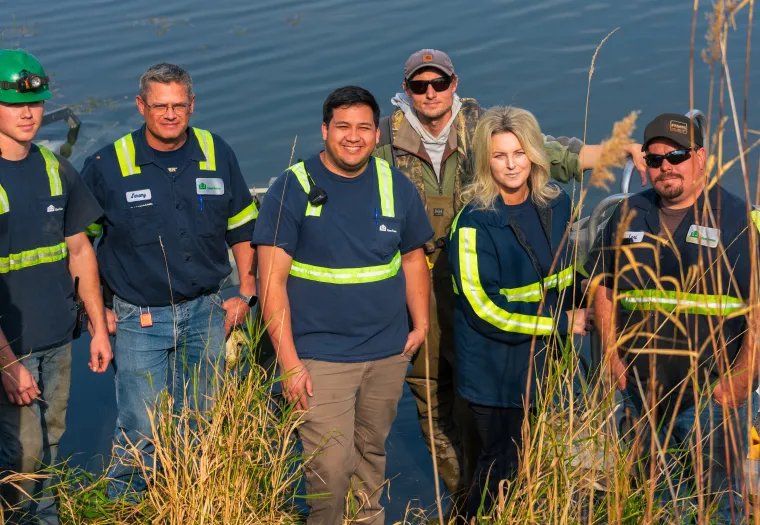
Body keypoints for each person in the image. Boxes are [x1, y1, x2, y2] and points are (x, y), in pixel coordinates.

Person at [373, 48, 646, 504]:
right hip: (416, 279)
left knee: (480, 390)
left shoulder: (483, 128)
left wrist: (625, 151)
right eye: (420, 86)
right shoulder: (384, 138)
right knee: (428, 386)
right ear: (408, 91)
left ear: (453, 83)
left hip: (481, 268)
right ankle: (464, 492)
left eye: (439, 83)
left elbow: (553, 155)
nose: (431, 93)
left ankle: (496, 488)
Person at [254, 86, 433, 525]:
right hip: (320, 359)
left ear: (377, 135)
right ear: (324, 130)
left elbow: (413, 258)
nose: (353, 137)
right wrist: (290, 362)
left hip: (387, 353)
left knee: (369, 459)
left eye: (364, 128)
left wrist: (422, 323)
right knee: (329, 469)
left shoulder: (396, 184)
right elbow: (271, 282)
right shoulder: (292, 188)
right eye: (343, 127)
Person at [80, 63, 258, 500]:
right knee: (141, 424)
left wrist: (247, 291)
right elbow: (81, 247)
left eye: (179, 105)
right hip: (139, 317)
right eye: (160, 105)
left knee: (204, 416)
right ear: (141, 106)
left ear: (192, 105)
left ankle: (195, 500)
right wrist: (96, 312)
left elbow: (243, 228)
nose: (170, 114)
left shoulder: (217, 152)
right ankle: (127, 507)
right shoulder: (107, 165)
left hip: (209, 312)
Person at [587, 113, 759, 523]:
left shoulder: (735, 220)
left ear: (700, 157)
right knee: (654, 494)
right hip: (640, 390)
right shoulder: (627, 215)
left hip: (710, 397)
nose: (665, 166)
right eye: (655, 157)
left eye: (676, 155)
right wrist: (611, 354)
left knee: (720, 501)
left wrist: (738, 381)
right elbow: (604, 287)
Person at [448, 106, 591, 518]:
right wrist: (563, 323)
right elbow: (484, 311)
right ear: (485, 161)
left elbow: (565, 270)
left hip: (545, 364)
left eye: (519, 153)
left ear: (534, 154)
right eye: (499, 155)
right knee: (500, 467)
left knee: (532, 464)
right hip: (496, 373)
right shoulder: (473, 224)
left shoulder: (557, 203)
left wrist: (592, 290)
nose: (511, 165)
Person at [0, 49, 112, 524]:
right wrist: (6, 363)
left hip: (56, 340)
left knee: (49, 445)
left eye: (37, 102)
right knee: (19, 457)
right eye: (14, 103)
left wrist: (100, 328)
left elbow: (80, 250)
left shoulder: (54, 167)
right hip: (11, 348)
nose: (28, 113)